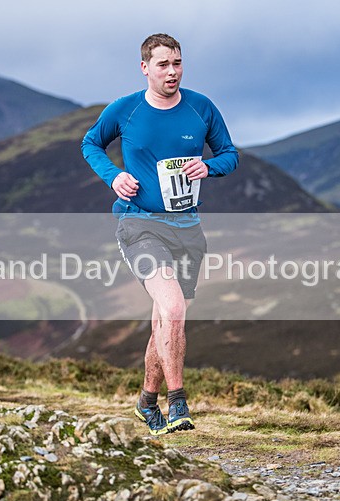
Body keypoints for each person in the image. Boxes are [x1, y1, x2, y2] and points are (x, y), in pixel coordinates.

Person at [81, 33, 239, 435]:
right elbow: (91, 144)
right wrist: (114, 176)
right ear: (145, 67)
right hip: (138, 224)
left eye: (178, 63)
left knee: (164, 321)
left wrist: (210, 167)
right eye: (164, 64)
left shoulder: (201, 108)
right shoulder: (125, 110)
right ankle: (178, 405)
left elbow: (229, 154)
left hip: (188, 227)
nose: (173, 72)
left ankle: (145, 403)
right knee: (173, 311)